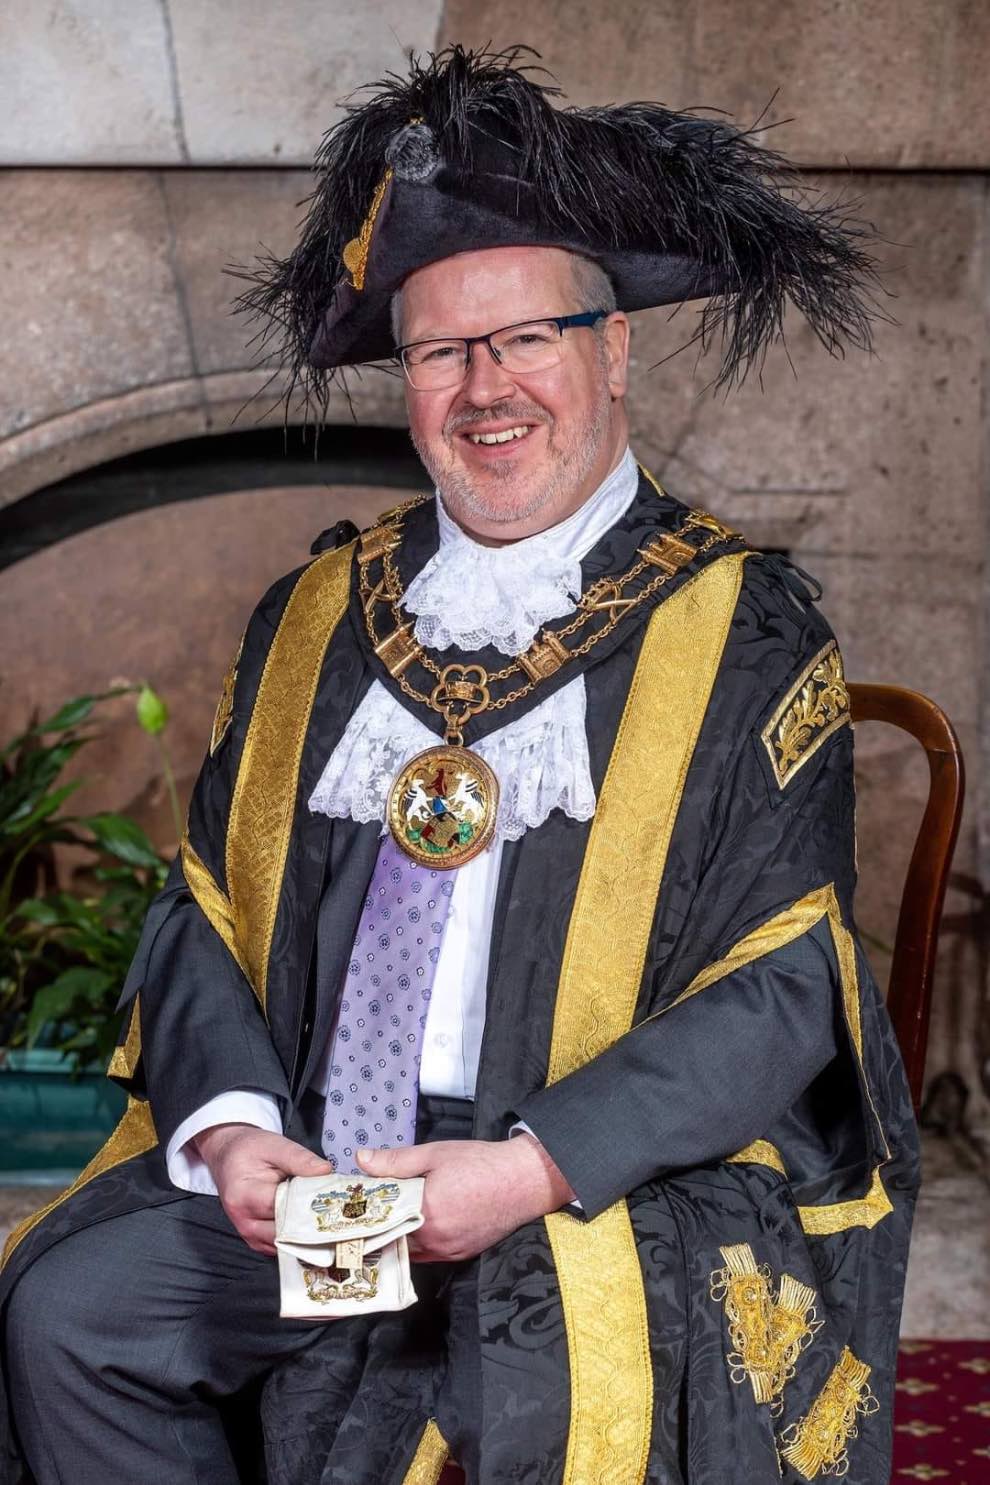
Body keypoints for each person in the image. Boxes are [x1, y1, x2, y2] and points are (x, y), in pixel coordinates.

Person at [1, 45, 917, 1485]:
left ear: (613, 351)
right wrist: (235, 1134)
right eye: (441, 352)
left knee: (520, 1379)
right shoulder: (318, 613)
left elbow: (787, 981)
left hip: (589, 1179)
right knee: (70, 1313)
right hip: (322, 1166)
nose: (486, 388)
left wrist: (529, 1165)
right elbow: (203, 910)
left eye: (526, 338)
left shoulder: (739, 626)